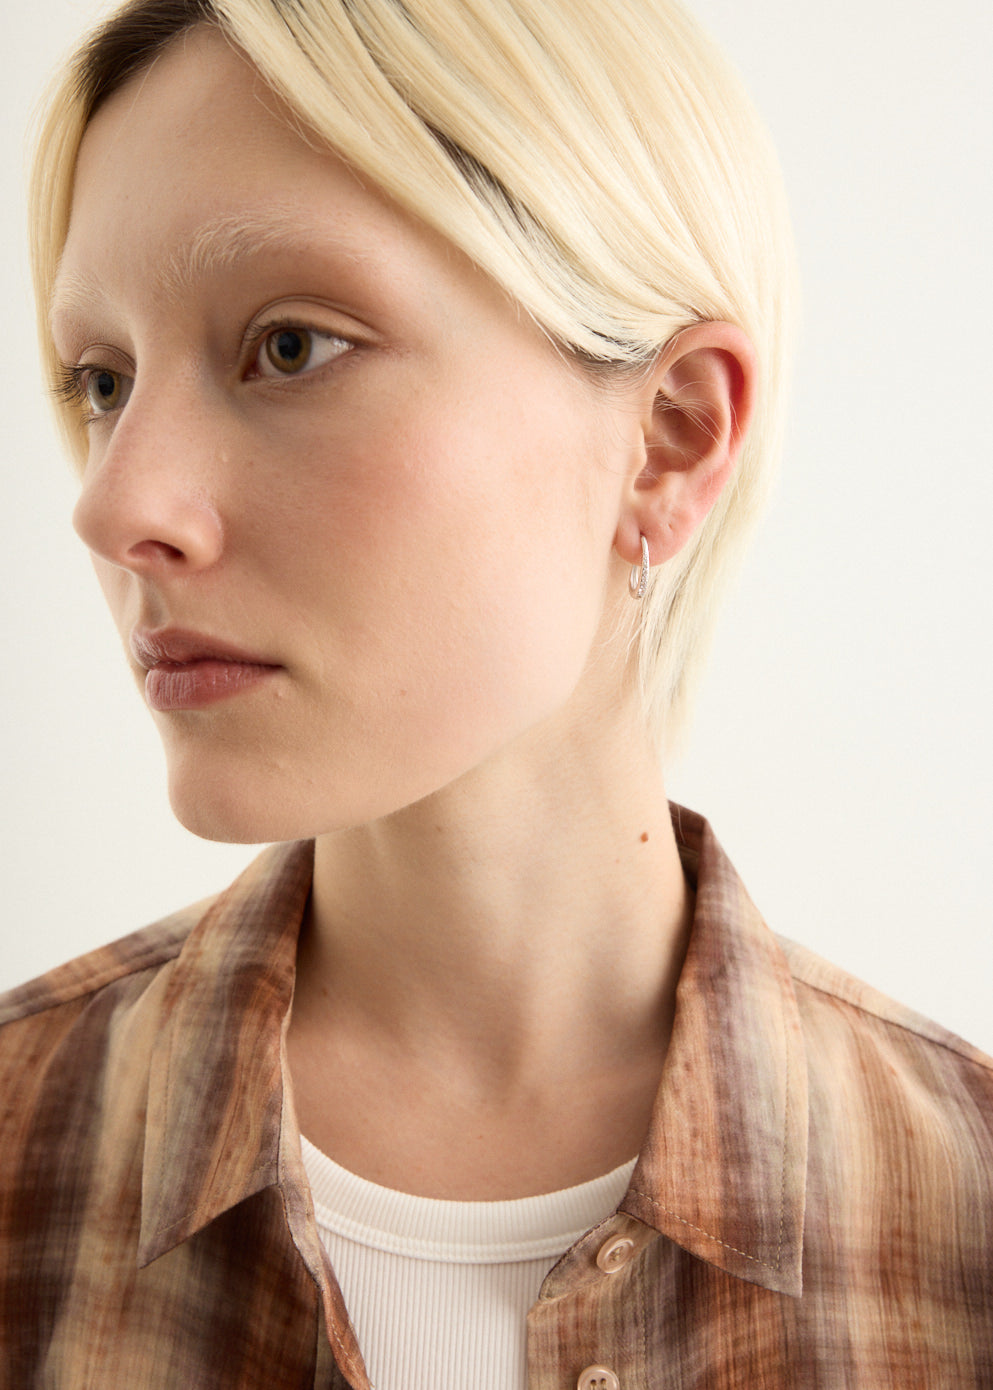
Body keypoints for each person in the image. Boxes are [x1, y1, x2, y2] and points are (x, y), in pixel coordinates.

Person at [1, 0, 990, 1386]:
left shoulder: (963, 1231)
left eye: (289, 345)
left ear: (667, 437)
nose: (116, 504)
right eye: (101, 379)